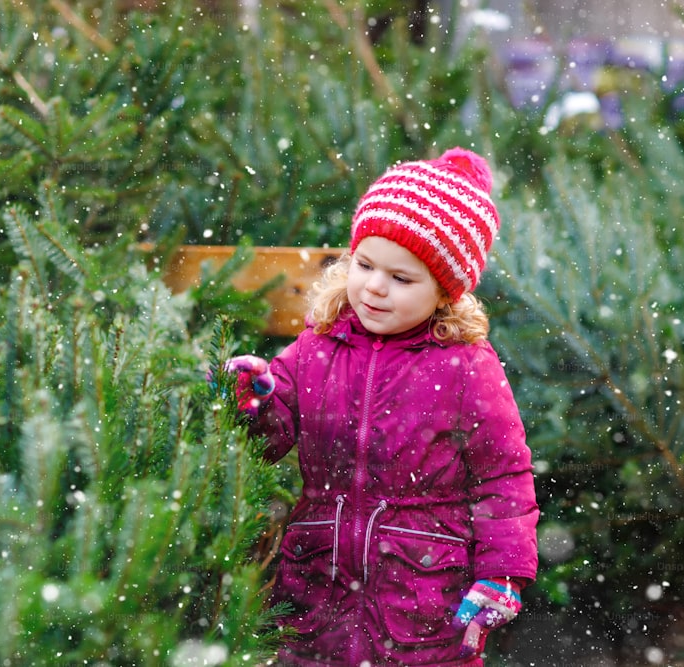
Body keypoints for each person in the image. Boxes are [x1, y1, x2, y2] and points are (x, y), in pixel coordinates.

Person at [225, 148, 539, 666]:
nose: (374, 286)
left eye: (401, 278)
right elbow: (274, 430)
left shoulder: (464, 367)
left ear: (444, 292)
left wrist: (501, 575)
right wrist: (253, 397)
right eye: (365, 265)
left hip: (421, 595)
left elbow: (502, 477)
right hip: (317, 580)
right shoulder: (318, 345)